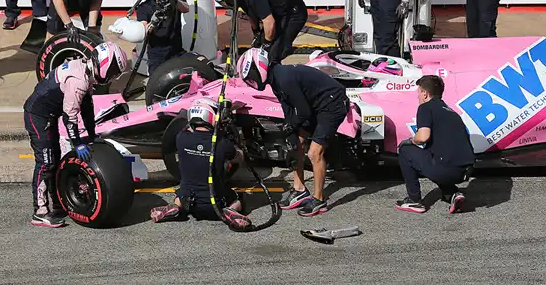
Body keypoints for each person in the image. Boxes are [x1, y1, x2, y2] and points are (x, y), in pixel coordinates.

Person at [22, 41, 130, 228]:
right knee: (46, 162)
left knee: (56, 158)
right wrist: (78, 143)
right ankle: (40, 211)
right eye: (113, 72)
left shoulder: (85, 68)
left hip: (48, 115)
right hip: (37, 116)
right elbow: (70, 116)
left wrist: (92, 136)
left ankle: (57, 203)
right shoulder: (79, 80)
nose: (113, 77)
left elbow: (87, 108)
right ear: (105, 65)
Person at [237, 48, 349, 217]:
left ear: (259, 68)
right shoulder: (275, 79)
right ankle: (300, 190)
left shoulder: (285, 78)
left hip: (332, 104)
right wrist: (290, 135)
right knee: (296, 145)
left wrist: (289, 128)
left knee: (314, 154)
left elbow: (303, 112)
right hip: (315, 105)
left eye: (251, 77)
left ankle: (319, 200)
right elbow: (288, 110)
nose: (252, 81)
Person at [149, 99, 251, 229]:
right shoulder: (222, 143)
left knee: (181, 191)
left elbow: (188, 130)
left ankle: (176, 206)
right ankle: (231, 209)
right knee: (239, 197)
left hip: (189, 203)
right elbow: (239, 158)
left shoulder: (181, 138)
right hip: (216, 205)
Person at [394, 75, 474, 214]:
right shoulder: (450, 111)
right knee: (434, 159)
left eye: (418, 93)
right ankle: (453, 193)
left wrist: (411, 140)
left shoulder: (426, 108)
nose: (418, 97)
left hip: (446, 170)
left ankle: (414, 201)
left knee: (405, 149)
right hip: (466, 170)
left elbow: (423, 137)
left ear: (425, 94)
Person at [133, 0, 190, 75]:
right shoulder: (145, 7)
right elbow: (143, 31)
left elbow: (186, 9)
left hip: (177, 53)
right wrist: (153, 21)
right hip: (158, 57)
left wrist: (173, 2)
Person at [238, 0, 308, 65]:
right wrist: (257, 33)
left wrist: (267, 45)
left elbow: (269, 23)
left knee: (272, 55)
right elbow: (251, 13)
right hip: (279, 13)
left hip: (294, 13)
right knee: (265, 45)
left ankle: (276, 67)